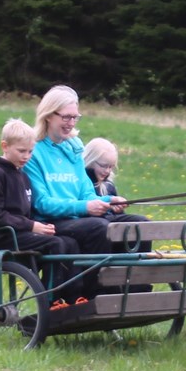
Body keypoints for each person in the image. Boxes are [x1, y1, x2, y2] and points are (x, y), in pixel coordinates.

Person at [0, 118, 85, 308]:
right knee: (55, 244)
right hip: (1, 235)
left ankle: (74, 297)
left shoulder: (22, 175)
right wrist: (31, 226)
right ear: (5, 146)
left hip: (19, 231)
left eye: (30, 151)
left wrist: (39, 225)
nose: (26, 156)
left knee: (70, 242)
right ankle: (51, 299)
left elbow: (26, 211)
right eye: (21, 151)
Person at [28, 86, 148, 258]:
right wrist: (85, 207)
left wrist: (109, 201)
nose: (71, 123)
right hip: (54, 222)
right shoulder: (33, 152)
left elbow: (87, 193)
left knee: (139, 225)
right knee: (100, 227)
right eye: (66, 117)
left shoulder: (74, 148)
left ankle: (135, 284)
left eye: (75, 117)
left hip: (81, 217)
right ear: (48, 115)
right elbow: (42, 204)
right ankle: (99, 283)